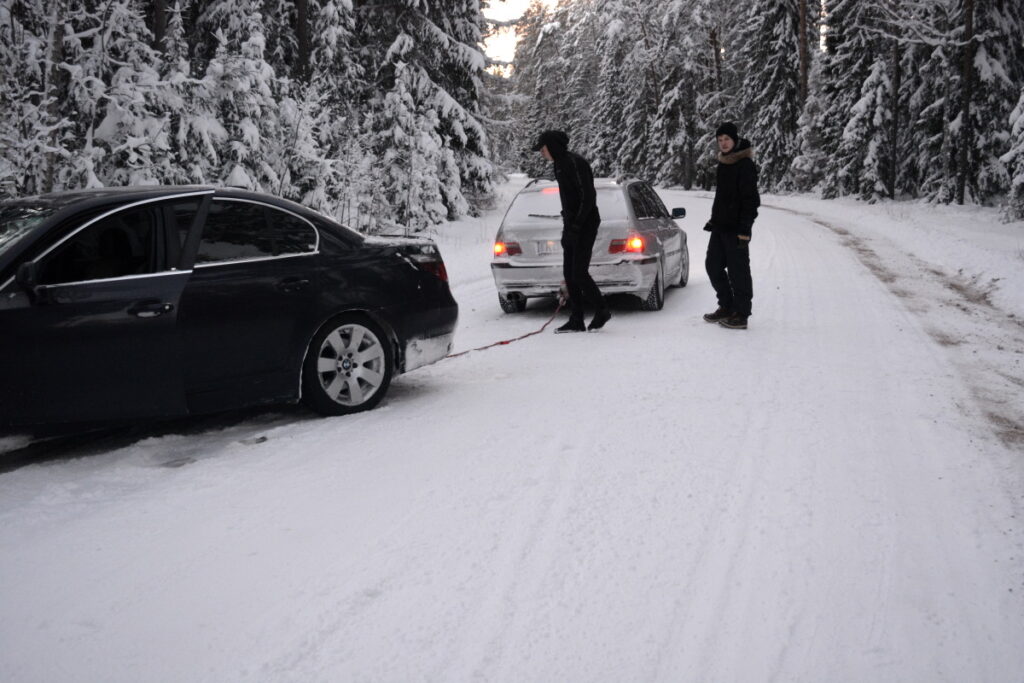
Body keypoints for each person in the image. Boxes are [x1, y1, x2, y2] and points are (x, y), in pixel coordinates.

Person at [532, 129, 611, 333]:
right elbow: (570, 198)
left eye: (543, 148)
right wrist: (568, 222)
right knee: (569, 273)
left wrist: (577, 225)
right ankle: (577, 319)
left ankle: (602, 309)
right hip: (571, 225)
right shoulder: (558, 165)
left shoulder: (575, 163)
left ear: (552, 146)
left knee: (579, 272)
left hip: (586, 224)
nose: (542, 153)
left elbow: (587, 197)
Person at [703, 122, 760, 330]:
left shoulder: (745, 165)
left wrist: (745, 228)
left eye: (726, 139)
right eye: (720, 140)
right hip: (720, 227)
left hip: (737, 228)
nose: (723, 143)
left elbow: (751, 200)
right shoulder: (724, 163)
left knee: (738, 271)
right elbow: (722, 198)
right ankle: (726, 306)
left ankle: (742, 313)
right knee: (713, 265)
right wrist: (714, 218)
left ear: (735, 140)